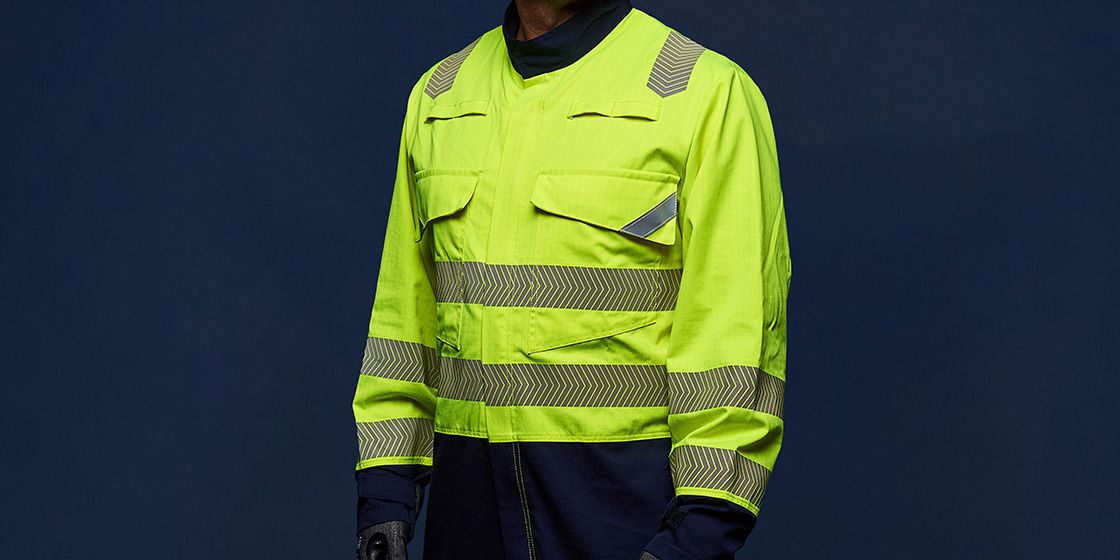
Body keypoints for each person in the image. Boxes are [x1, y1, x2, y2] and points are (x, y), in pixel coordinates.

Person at [352, 1, 791, 559]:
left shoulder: (703, 93)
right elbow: (403, 320)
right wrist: (386, 494)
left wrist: (699, 534)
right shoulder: (441, 97)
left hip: (626, 514)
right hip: (467, 513)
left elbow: (736, 331)